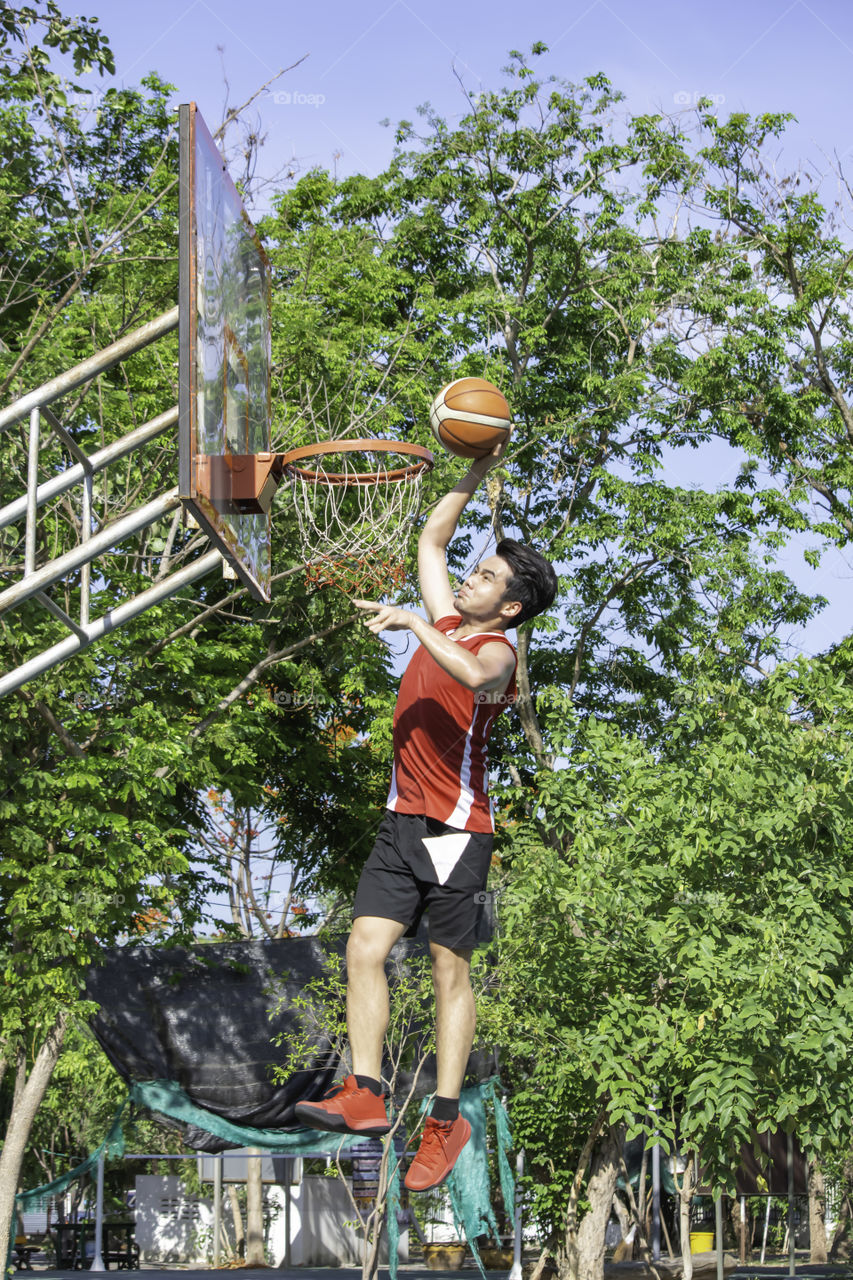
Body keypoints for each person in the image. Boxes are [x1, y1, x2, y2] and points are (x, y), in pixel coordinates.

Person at [294, 445, 557, 1190]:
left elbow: (472, 675)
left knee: (448, 971)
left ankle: (445, 1121)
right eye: (475, 571)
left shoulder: (496, 650)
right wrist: (475, 470)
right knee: (363, 949)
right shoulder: (449, 619)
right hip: (401, 821)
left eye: (487, 578)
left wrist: (415, 618)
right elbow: (430, 540)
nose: (470, 577)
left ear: (508, 606)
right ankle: (365, 1094)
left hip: (455, 831)